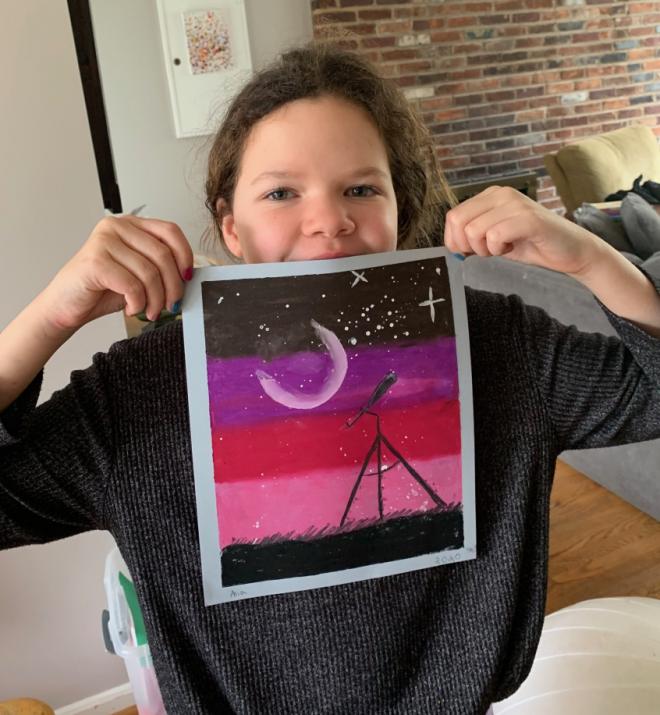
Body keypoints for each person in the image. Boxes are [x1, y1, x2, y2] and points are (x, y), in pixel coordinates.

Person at [1, 43, 659, 715]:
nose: (328, 221)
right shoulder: (140, 391)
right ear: (232, 225)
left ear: (401, 209)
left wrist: (596, 261)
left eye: (362, 188)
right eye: (282, 192)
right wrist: (51, 315)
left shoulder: (495, 343)